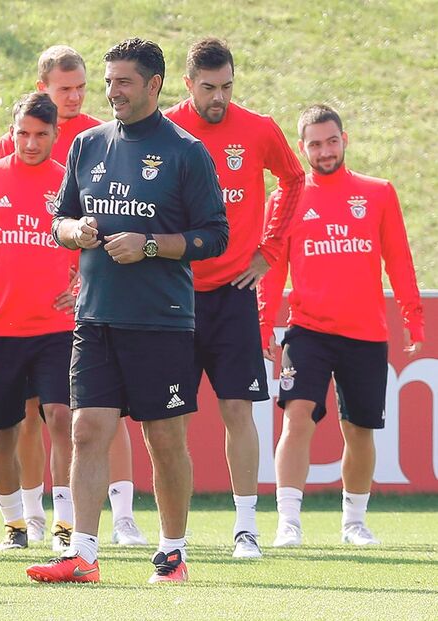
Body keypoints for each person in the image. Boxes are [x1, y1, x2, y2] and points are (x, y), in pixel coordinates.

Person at [26, 38, 228, 585]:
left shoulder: (186, 151)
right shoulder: (87, 144)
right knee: (88, 430)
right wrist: (77, 231)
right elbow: (59, 221)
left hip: (160, 318)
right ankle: (83, 555)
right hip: (95, 316)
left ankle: (172, 553)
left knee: (164, 441)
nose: (112, 92)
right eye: (109, 81)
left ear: (154, 85)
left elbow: (216, 236)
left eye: (124, 82)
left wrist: (153, 244)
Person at [0, 44, 145, 548]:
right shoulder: (14, 143)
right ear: (43, 90)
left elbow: (118, 218)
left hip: (98, 298)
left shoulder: (109, 137)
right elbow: (9, 218)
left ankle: (122, 515)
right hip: (25, 312)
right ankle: (36, 518)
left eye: (83, 86)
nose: (77, 96)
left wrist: (80, 277)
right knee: (34, 416)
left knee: (102, 412)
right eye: (65, 89)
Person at [258, 104, 424, 548]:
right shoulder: (286, 198)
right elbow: (271, 270)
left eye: (332, 141)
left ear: (344, 140)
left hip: (365, 333)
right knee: (297, 419)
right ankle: (288, 522)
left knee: (360, 430)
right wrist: (263, 326)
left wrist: (412, 314)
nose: (325, 150)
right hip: (308, 329)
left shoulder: (378, 193)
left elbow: (399, 259)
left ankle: (354, 522)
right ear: (301, 148)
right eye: (315, 143)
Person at [164, 38, 304, 558]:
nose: (218, 98)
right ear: (187, 84)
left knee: (237, 408)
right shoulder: (165, 128)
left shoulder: (259, 127)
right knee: (169, 417)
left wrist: (269, 250)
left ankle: (246, 526)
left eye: (226, 87)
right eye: (208, 88)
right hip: (173, 294)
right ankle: (173, 533)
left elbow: (293, 180)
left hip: (234, 293)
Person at [0, 92, 76, 551]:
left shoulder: (71, 183)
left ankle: (67, 524)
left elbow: (92, 243)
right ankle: (18, 524)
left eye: (40, 135)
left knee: (61, 418)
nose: (30, 143)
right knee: (4, 432)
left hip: (55, 326)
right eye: (23, 134)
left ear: (55, 135)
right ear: (11, 132)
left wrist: (83, 286)